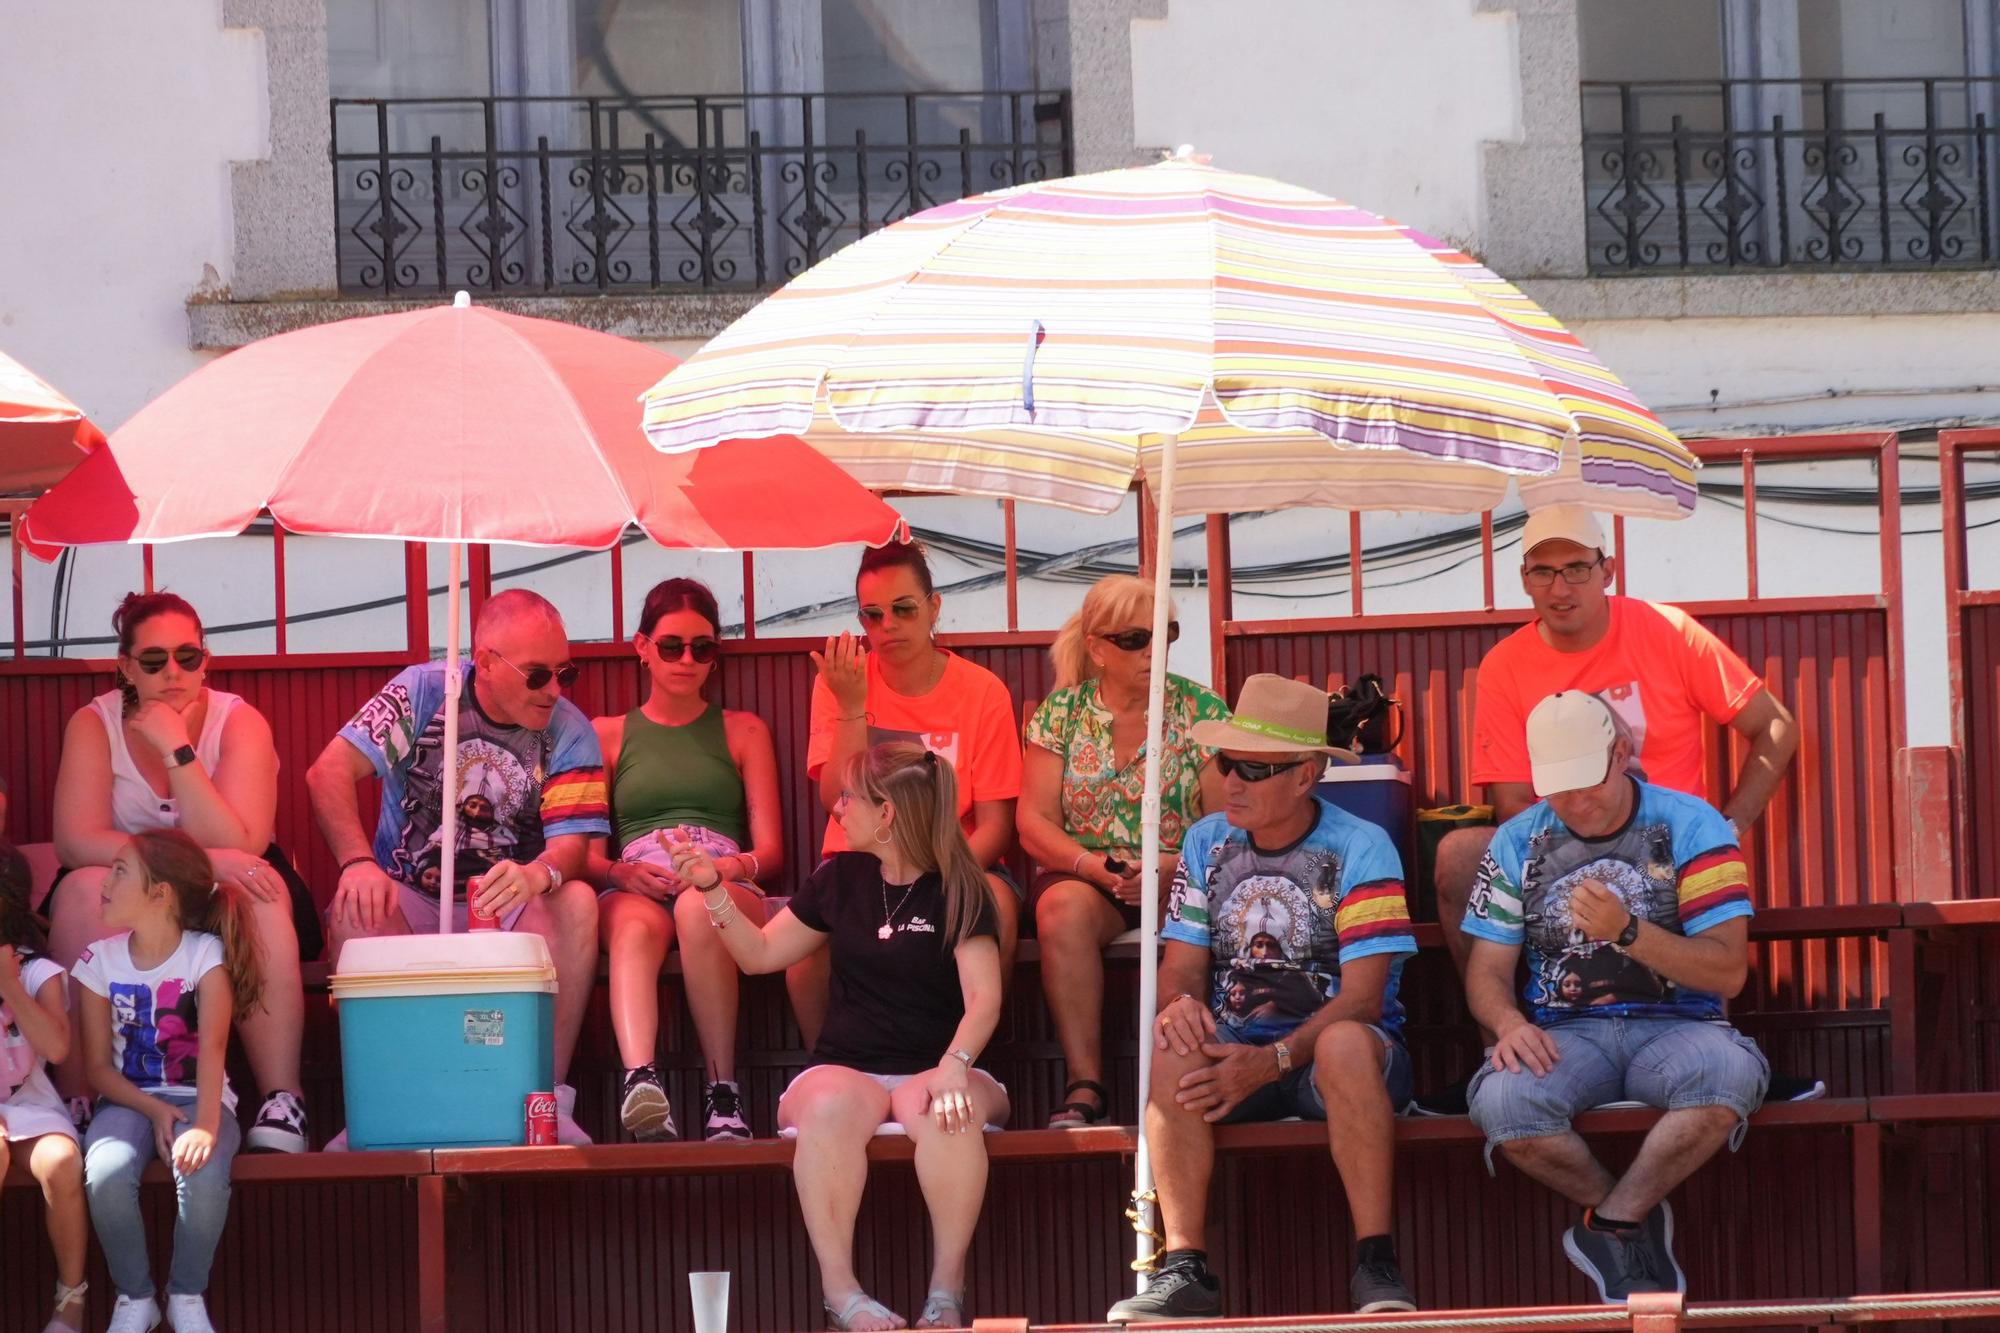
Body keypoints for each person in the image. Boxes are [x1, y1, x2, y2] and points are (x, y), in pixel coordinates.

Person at [1423, 506, 1800, 1114]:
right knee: (1462, 852)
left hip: (1669, 847)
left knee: (1691, 864)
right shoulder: (1506, 665)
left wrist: (1729, 825)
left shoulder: (1667, 631)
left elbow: (1775, 727)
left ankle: (1715, 1046)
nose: (1560, 587)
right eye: (1542, 572)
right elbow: (1516, 804)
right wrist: (1588, 848)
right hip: (1563, 838)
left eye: (1576, 568)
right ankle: (1503, 1047)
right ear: (1523, 579)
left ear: (1608, 570)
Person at [1107, 675, 1422, 1322]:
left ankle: (1376, 1261)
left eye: (1255, 766)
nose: (1233, 781)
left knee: (1341, 1043)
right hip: (1239, 1049)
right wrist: (1179, 1005)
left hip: (1348, 1056)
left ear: (1306, 775)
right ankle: (1185, 1265)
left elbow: (1363, 1000)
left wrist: (1272, 1060)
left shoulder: (1362, 847)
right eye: (1227, 761)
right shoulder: (1205, 841)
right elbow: (1181, 970)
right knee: (1173, 1039)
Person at [671, 743, 1005, 1331]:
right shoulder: (838, 878)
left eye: (849, 797)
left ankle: (945, 1294)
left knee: (943, 1108)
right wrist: (710, 888)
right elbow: (760, 956)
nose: (837, 808)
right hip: (847, 1067)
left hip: (941, 1066)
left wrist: (954, 1067)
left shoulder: (961, 887)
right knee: (825, 1107)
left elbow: (984, 998)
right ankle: (842, 1294)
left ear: (888, 815)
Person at [1463, 691, 1769, 1303]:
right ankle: (1630, 1219)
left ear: (1622, 753)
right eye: (1557, 787)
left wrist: (1628, 932)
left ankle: (1614, 1220)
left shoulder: (1693, 822)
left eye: (1587, 781)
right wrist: (1506, 1021)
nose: (1575, 802)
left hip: (1679, 1025)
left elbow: (1729, 971)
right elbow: (1486, 972)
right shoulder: (1515, 841)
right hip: (1565, 1031)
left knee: (1730, 1076)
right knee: (1502, 1105)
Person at [309, 589, 607, 1145]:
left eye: (566, 671)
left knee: (574, 901)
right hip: (411, 897)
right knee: (355, 904)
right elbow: (327, 773)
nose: (556, 690)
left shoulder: (570, 728)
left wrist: (536, 874)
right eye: (538, 675)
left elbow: (571, 847)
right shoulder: (424, 690)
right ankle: (382, 1106)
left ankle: (547, 1101)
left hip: (510, 905)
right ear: (487, 662)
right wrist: (356, 863)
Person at [47, 590, 315, 1154]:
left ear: (205, 660)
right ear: (125, 667)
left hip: (224, 886)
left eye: (187, 657)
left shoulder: (238, 722)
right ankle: (77, 1098)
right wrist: (200, 862)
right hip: (140, 890)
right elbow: (76, 840)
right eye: (153, 660)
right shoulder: (94, 724)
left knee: (258, 893)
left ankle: (281, 1098)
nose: (173, 671)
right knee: (77, 892)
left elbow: (244, 841)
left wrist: (178, 749)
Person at [1018, 573, 1226, 1127]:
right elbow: (1032, 821)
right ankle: (1085, 1083)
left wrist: (1168, 866)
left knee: (1212, 908)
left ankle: (1187, 1077)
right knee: (1059, 911)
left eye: (1166, 634)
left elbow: (1229, 825)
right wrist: (1093, 866)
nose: (1154, 650)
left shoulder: (1201, 710)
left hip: (1184, 874)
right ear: (1097, 649)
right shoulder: (1060, 713)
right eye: (1136, 639)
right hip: (1088, 875)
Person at [798, 539, 1022, 1045]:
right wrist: (852, 706)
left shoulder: (981, 690)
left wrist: (928, 875)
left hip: (956, 860)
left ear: (934, 607)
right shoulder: (842, 682)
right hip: (858, 862)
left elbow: (995, 827)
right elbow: (835, 801)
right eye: (872, 616)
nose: (888, 626)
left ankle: (970, 1063)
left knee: (997, 908)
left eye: (903, 609)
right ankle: (826, 1066)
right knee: (805, 937)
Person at [587, 577, 784, 1142]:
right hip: (639, 875)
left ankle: (724, 1092)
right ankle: (640, 1081)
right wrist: (621, 873)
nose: (687, 659)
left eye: (702, 647)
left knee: (703, 911)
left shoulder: (743, 730)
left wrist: (722, 871)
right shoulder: (608, 735)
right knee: (629, 928)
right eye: (671, 645)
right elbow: (589, 856)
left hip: (720, 868)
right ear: (642, 646)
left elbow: (770, 851)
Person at [77, 830, 266, 1333]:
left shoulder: (205, 955)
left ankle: (186, 1294)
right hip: (127, 1101)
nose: (106, 881)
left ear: (160, 893)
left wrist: (204, 1125)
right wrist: (155, 1110)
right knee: (107, 1172)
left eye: (120, 871)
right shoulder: (98, 961)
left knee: (202, 1175)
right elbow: (97, 1068)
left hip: (201, 1097)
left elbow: (213, 1048)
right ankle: (135, 1296)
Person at [1, 843, 89, 1332]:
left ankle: (70, 1297)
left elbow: (56, 1048)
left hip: (31, 1104)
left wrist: (11, 986)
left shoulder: (39, 973)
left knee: (60, 1160)